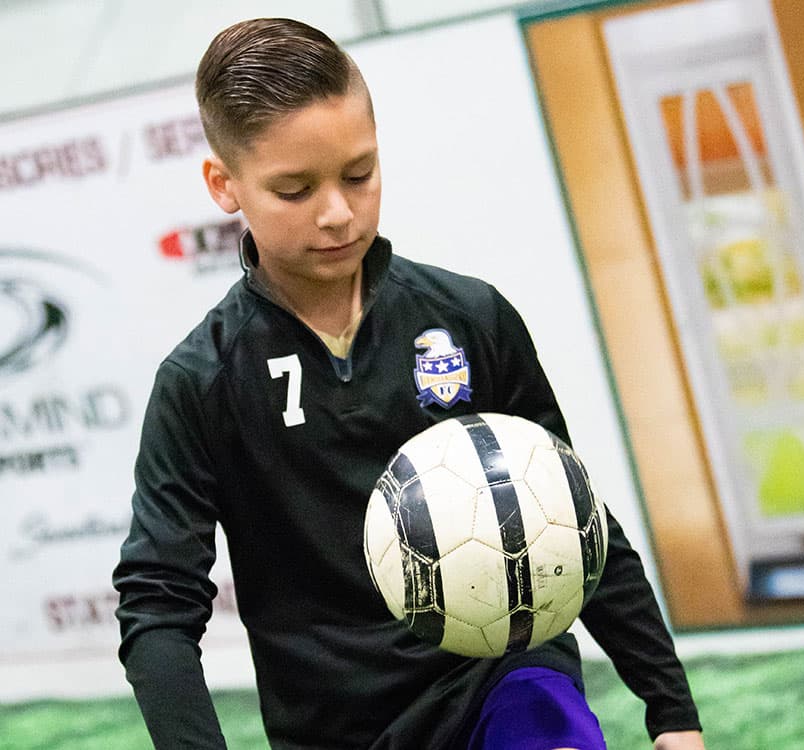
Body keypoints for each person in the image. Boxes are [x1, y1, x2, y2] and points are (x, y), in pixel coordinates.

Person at [113, 17, 705, 750]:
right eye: (295, 189)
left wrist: (671, 710)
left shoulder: (470, 317)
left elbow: (574, 520)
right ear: (223, 185)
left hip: (508, 683)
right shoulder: (201, 382)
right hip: (338, 728)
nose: (338, 212)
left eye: (359, 174)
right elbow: (158, 608)